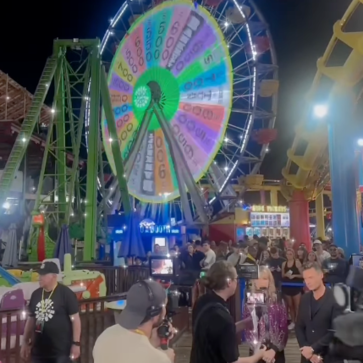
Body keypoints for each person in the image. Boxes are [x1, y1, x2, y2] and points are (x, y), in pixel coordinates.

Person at [190, 261, 267, 363]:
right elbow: (234, 361)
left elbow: (217, 332)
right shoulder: (223, 318)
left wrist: (244, 323)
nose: (237, 282)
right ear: (229, 282)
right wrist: (257, 355)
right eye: (236, 279)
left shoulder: (201, 301)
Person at [93, 280, 175, 363]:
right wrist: (167, 358)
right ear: (155, 314)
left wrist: (150, 344)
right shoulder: (158, 359)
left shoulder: (104, 336)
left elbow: (129, 352)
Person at [20, 261, 81, 363]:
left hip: (61, 352)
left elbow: (75, 320)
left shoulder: (66, 294)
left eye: (43, 274)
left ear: (54, 276)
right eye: (39, 274)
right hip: (39, 351)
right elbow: (31, 319)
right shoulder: (36, 294)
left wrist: (76, 343)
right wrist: (25, 342)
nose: (40, 277)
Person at [295, 262, 343, 363]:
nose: (307, 282)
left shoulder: (336, 298)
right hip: (308, 357)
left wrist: (313, 349)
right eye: (305, 278)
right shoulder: (304, 299)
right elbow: (299, 326)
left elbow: (335, 331)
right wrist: (306, 350)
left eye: (310, 277)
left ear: (321, 275)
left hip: (329, 357)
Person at [243, 266, 288, 363]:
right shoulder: (250, 300)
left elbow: (283, 326)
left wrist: (274, 349)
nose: (261, 281)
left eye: (264, 278)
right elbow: (248, 327)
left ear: (270, 280)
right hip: (257, 350)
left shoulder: (278, 299)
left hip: (275, 350)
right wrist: (259, 349)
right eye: (258, 279)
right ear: (254, 281)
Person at [281, 248, 303, 330]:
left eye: (290, 254)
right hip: (287, 286)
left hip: (296, 286)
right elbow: (282, 275)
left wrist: (295, 276)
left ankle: (298, 322)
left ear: (293, 255)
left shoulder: (297, 262)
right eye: (287, 254)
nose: (289, 255)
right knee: (290, 306)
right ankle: (293, 321)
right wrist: (286, 274)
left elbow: (302, 275)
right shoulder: (284, 263)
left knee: (297, 306)